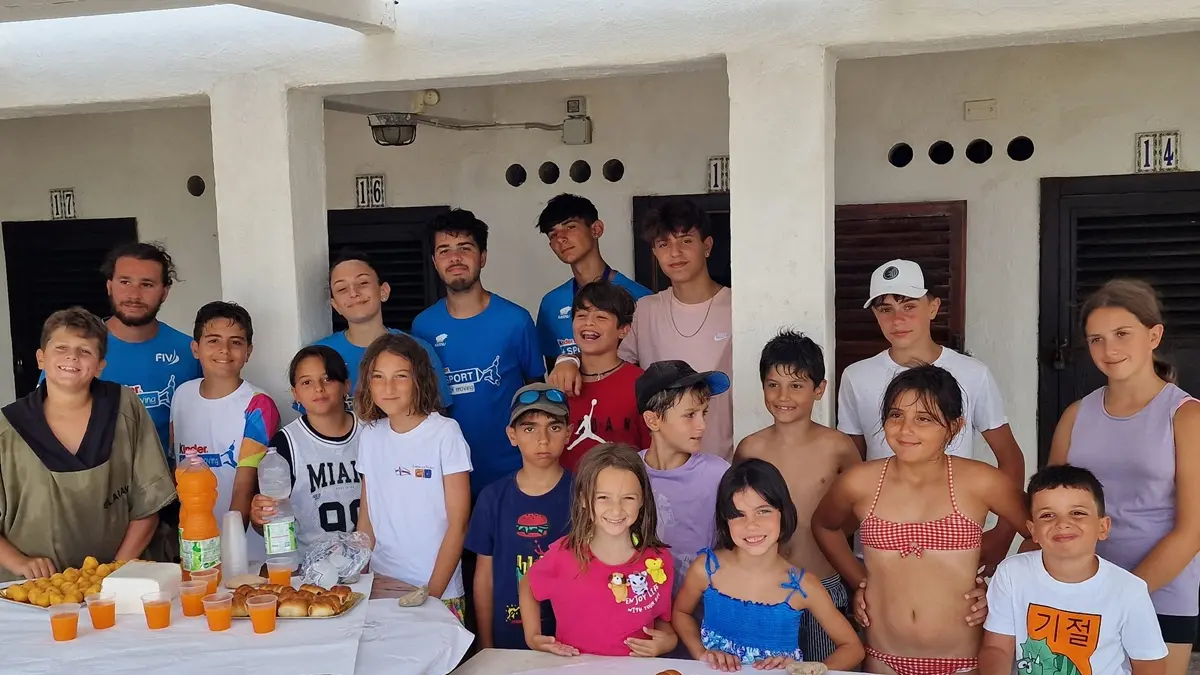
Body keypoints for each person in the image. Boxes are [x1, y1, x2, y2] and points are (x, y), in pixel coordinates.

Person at [813, 364, 1029, 675]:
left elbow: (1041, 534)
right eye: (895, 415)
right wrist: (860, 579)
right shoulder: (859, 482)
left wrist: (1001, 594)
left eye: (924, 419)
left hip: (963, 662)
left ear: (954, 426)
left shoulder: (982, 482)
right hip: (883, 658)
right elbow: (824, 526)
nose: (905, 429)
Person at [1046, 279, 1200, 675]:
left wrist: (1117, 596)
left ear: (1154, 336)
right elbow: (1048, 508)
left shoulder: (1187, 416)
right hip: (1077, 589)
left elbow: (1192, 531)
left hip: (1161, 594)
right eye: (1096, 339)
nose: (1109, 349)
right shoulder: (1075, 415)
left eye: (1122, 334)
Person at [837, 258, 1025, 573]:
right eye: (885, 309)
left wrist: (1002, 534)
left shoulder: (973, 374)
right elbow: (850, 462)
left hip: (952, 544)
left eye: (909, 306)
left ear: (933, 307)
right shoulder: (856, 377)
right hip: (880, 544)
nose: (897, 319)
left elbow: (1010, 458)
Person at [549, 199, 734, 460]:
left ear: (707, 246)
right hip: (661, 465)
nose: (675, 252)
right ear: (655, 252)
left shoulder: (738, 309)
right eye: (663, 244)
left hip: (723, 459)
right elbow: (606, 360)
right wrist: (568, 360)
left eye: (686, 240)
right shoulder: (645, 309)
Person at [0, 308, 176, 581]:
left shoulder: (124, 408)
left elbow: (149, 503)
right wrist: (20, 562)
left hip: (123, 583)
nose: (72, 356)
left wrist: (115, 570)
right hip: (32, 589)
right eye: (61, 348)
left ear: (100, 365)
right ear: (40, 358)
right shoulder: (7, 428)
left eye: (85, 350)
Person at [735, 330, 861, 661]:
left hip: (823, 581)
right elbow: (734, 513)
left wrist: (831, 538)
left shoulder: (837, 446)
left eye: (796, 386)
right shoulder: (750, 448)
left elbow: (861, 507)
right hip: (765, 589)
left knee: (827, 666)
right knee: (767, 666)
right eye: (773, 384)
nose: (783, 396)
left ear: (819, 389)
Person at [674, 459, 864, 671]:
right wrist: (702, 653)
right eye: (738, 515)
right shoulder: (707, 569)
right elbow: (681, 613)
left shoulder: (803, 586)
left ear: (783, 512)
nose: (751, 525)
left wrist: (808, 670)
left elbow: (853, 648)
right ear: (725, 520)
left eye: (763, 511)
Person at [980, 464, 1167, 675]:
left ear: (1103, 527)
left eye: (1077, 513)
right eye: (1047, 515)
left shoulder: (1129, 590)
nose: (1062, 523)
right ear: (1033, 531)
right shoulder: (1012, 574)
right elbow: (996, 648)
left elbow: (1150, 665)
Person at [411, 209, 545, 498]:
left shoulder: (516, 320)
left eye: (465, 248)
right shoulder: (423, 327)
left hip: (512, 471)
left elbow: (536, 390)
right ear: (434, 261)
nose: (455, 258)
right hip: (448, 471)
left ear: (482, 257)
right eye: (444, 250)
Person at [355, 333, 472, 624]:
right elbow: (367, 518)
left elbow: (458, 524)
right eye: (378, 377)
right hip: (382, 585)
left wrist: (431, 597)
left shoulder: (445, 432)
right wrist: (358, 578)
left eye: (401, 376)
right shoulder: (369, 435)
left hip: (436, 589)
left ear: (419, 379)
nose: (388, 388)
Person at [519, 443, 677, 658]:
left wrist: (669, 641)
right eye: (603, 497)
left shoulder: (659, 560)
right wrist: (532, 635)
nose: (616, 510)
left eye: (628, 498)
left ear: (642, 500)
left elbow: (661, 619)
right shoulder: (563, 555)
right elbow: (528, 584)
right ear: (584, 499)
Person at [464, 383, 574, 650]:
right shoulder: (492, 498)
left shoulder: (585, 494)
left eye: (554, 427)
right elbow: (484, 578)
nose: (543, 439)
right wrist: (486, 643)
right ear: (512, 435)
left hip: (571, 640)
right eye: (529, 428)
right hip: (508, 640)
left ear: (569, 433)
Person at [170, 302, 281, 560]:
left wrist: (225, 554)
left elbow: (244, 487)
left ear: (248, 351)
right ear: (195, 348)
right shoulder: (181, 395)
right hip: (193, 545)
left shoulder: (258, 405)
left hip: (242, 551)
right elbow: (176, 469)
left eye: (236, 342)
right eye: (213, 340)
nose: (224, 350)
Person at [249, 346, 361, 557]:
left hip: (369, 562)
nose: (318, 388)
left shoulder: (369, 434)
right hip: (310, 565)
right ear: (296, 393)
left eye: (328, 379)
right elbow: (269, 522)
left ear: (346, 385)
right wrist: (259, 517)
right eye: (307, 382)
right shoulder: (285, 443)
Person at [313, 249, 451, 408]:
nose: (353, 293)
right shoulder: (319, 355)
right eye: (342, 289)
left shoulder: (418, 349)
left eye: (362, 283)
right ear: (335, 305)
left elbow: (437, 412)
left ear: (383, 291)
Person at [636, 360, 731, 589]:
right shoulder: (627, 473)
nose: (702, 426)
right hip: (643, 604)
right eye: (690, 415)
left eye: (703, 413)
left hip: (704, 606)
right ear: (653, 420)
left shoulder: (718, 475)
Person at [533, 194, 651, 365]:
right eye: (552, 235)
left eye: (570, 227)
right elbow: (555, 371)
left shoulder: (641, 298)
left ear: (596, 229)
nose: (560, 238)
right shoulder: (551, 303)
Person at [560, 280, 649, 472]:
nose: (588, 323)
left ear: (623, 330)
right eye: (581, 315)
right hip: (567, 489)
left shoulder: (641, 384)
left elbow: (652, 456)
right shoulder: (560, 380)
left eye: (601, 317)